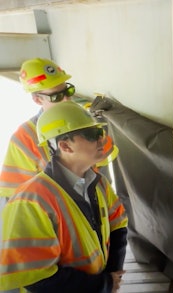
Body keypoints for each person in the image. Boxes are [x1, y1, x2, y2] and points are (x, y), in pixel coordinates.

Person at [0, 101, 128, 292]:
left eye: (100, 132)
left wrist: (110, 277)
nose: (102, 140)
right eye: (92, 135)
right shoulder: (31, 201)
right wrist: (103, 284)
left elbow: (118, 224)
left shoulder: (99, 183)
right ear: (65, 146)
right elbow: (36, 278)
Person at [0, 57, 117, 200]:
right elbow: (14, 197)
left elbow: (103, 167)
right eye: (57, 97)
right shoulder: (25, 137)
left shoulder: (84, 119)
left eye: (68, 91)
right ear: (38, 100)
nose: (67, 99)